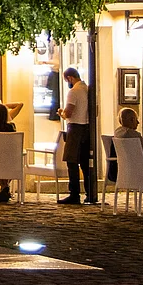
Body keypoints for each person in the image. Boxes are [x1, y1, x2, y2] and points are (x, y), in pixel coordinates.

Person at [58, 67, 95, 204]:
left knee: (72, 161)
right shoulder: (88, 90)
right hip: (87, 128)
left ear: (70, 78)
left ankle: (74, 194)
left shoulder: (74, 92)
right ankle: (90, 192)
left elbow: (68, 113)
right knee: (85, 163)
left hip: (75, 128)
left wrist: (61, 113)